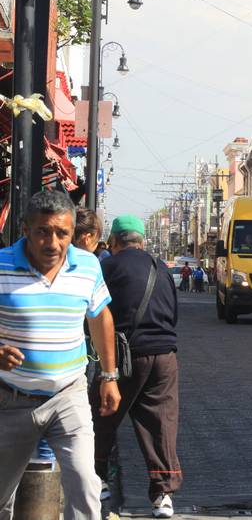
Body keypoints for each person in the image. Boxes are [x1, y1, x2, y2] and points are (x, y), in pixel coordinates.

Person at [0, 190, 120, 520]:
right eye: (43, 231)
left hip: (69, 395)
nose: (52, 242)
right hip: (12, 400)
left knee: (85, 484)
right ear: (26, 230)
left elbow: (99, 317)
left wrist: (109, 376)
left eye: (62, 233)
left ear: (73, 233)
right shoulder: (2, 266)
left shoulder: (88, 266)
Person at [95, 215, 181, 519]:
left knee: (102, 414)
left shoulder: (107, 266)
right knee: (160, 422)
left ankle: (99, 478)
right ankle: (162, 495)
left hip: (125, 355)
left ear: (114, 242)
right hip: (164, 356)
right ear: (142, 242)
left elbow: (97, 312)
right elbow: (173, 312)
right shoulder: (161, 268)